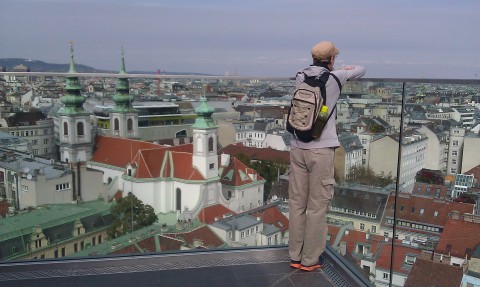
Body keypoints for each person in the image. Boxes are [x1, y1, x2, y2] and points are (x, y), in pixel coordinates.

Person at [288, 41, 365, 271]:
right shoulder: (334, 78)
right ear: (331, 60)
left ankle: (295, 255)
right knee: (317, 206)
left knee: (297, 203)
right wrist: (344, 69)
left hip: (297, 145)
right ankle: (310, 260)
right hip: (321, 149)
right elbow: (361, 70)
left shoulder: (300, 76)